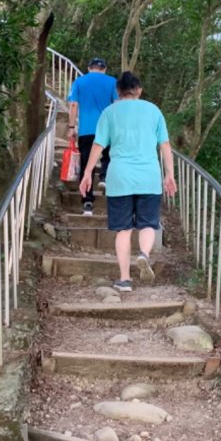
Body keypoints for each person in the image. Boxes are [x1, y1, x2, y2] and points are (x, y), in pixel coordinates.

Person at [79, 71, 177, 292]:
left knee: (123, 230)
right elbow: (165, 145)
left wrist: (87, 173)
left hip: (120, 177)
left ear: (118, 91)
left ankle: (124, 280)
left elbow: (98, 145)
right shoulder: (153, 111)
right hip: (149, 177)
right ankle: (143, 254)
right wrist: (169, 174)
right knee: (148, 224)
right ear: (139, 90)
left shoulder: (109, 112)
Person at [67, 57, 117, 215]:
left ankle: (87, 203)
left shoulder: (79, 82)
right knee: (108, 156)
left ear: (89, 68)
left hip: (86, 130)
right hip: (107, 128)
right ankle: (103, 178)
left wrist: (71, 126)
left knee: (86, 165)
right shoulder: (112, 82)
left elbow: (73, 104)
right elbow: (117, 105)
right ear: (104, 69)